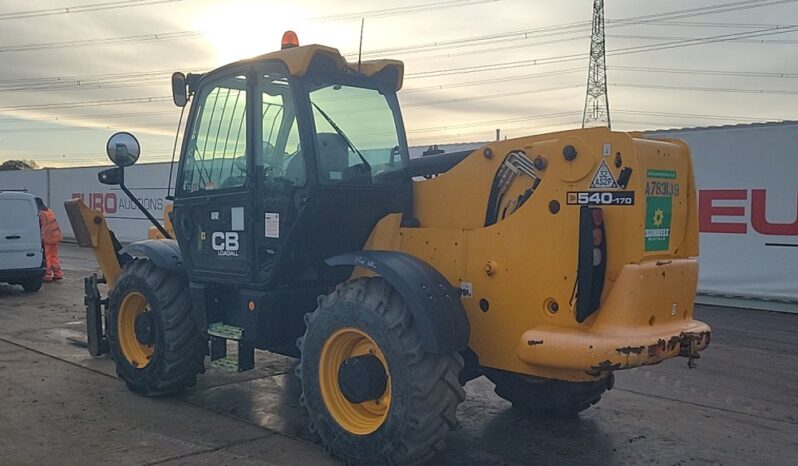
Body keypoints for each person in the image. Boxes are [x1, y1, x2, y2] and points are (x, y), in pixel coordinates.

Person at [35, 197, 63, 281]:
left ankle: (48, 275)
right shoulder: (49, 211)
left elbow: (40, 227)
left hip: (47, 238)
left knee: (47, 256)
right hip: (54, 236)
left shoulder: (41, 214)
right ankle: (57, 273)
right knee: (54, 256)